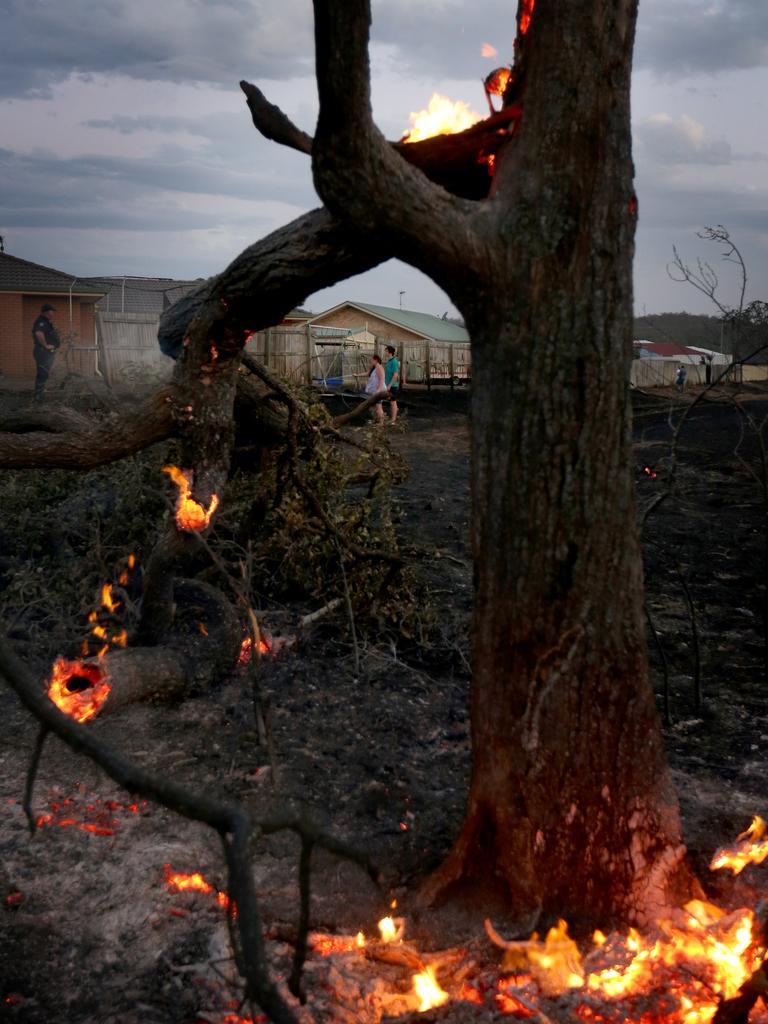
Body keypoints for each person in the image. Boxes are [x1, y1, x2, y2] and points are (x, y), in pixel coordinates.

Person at [31, 303, 60, 402]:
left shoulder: (47, 322)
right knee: (42, 373)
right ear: (47, 312)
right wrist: (46, 345)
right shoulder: (41, 322)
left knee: (44, 372)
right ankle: (38, 397)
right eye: (52, 311)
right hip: (43, 351)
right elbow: (38, 333)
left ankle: (41, 392)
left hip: (46, 352)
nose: (53, 313)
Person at [364, 353, 386, 422]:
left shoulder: (379, 367)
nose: (371, 361)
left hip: (379, 390)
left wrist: (378, 390)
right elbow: (367, 373)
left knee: (379, 406)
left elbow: (382, 379)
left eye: (372, 360)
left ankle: (381, 423)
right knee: (376, 406)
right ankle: (377, 420)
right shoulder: (374, 367)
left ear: (376, 360)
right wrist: (357, 375)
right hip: (375, 390)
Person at [384, 344, 400, 424]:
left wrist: (389, 385)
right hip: (388, 385)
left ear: (390, 352)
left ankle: (393, 420)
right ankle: (394, 415)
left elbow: (395, 375)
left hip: (392, 386)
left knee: (393, 402)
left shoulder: (394, 361)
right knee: (392, 402)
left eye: (386, 351)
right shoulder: (389, 361)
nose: (385, 352)